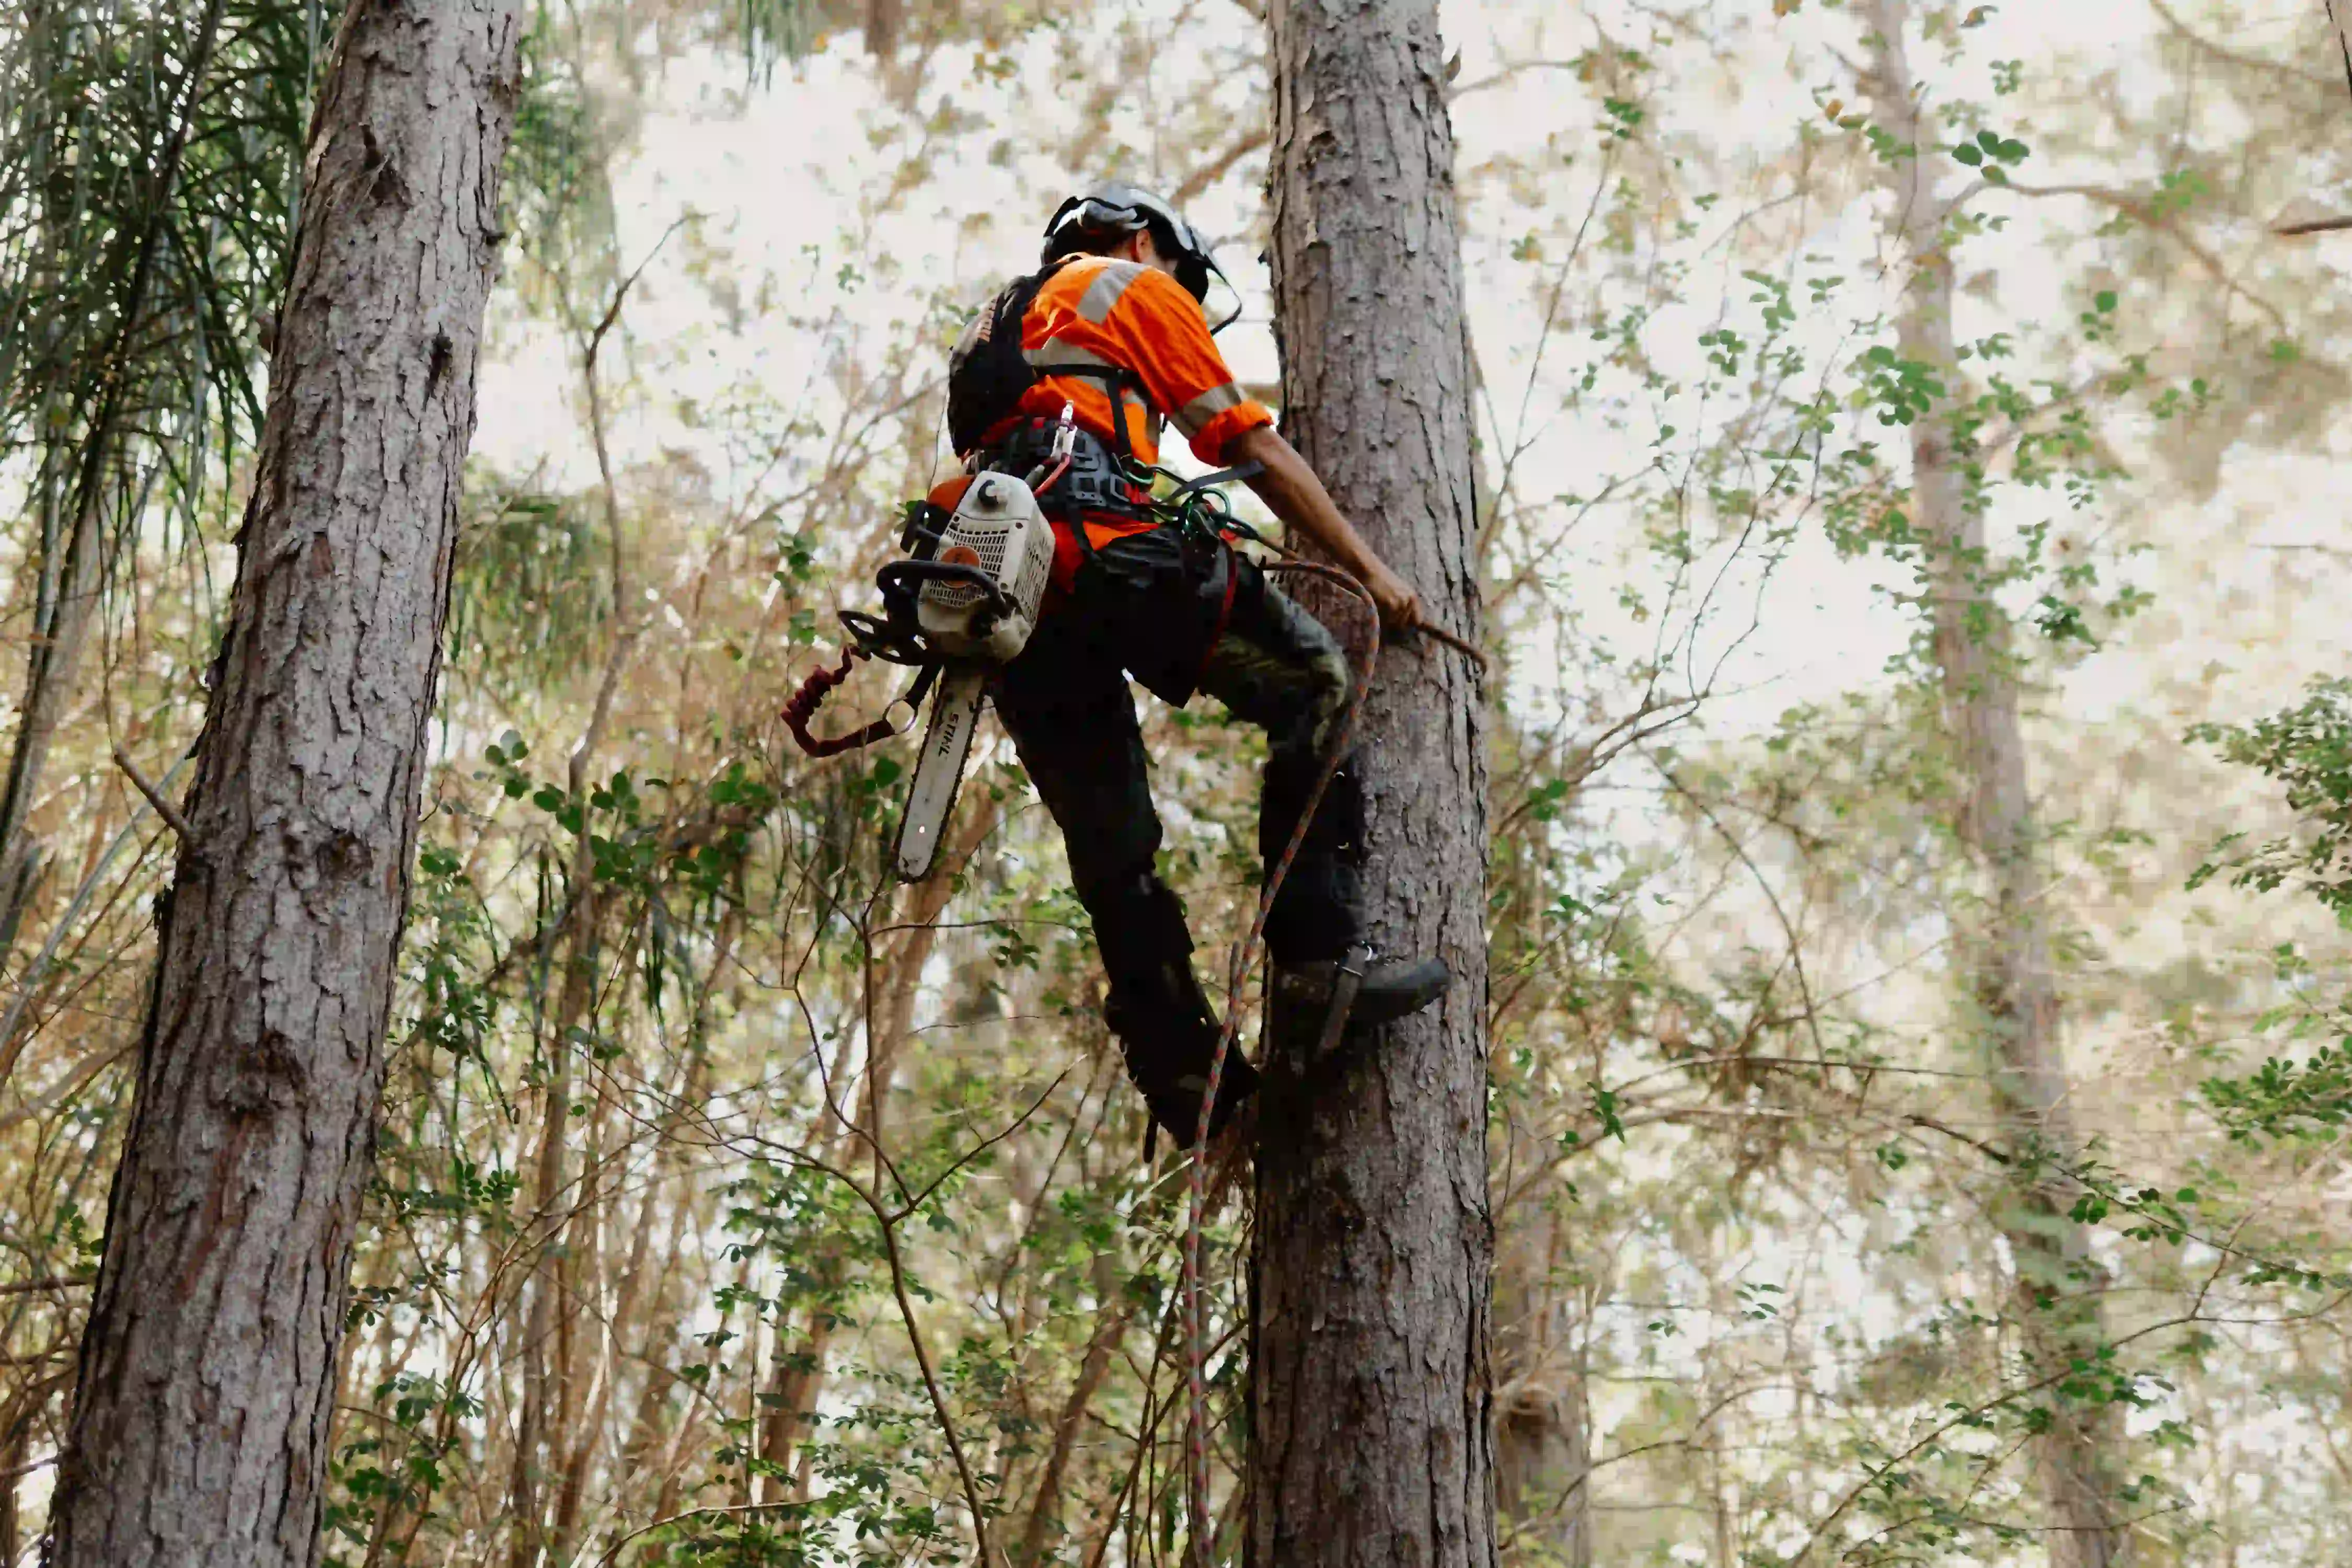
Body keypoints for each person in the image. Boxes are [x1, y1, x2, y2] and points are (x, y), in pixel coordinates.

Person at [941, 182, 1450, 1148]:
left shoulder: (994, 331)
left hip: (1008, 596)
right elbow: (1248, 446)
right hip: (1110, 546)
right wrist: (1371, 570)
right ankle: (1317, 961)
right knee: (1312, 682)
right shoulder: (1129, 286)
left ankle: (1188, 1081)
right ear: (1146, 238)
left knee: (1115, 854)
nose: (1180, 285)